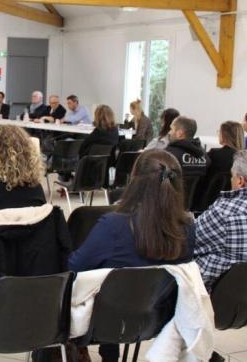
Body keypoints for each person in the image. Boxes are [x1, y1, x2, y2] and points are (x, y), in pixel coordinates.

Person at [69, 150, 194, 362]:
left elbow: (74, 267)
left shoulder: (113, 226)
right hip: (155, 320)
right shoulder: (187, 229)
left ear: (134, 180)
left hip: (102, 323)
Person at [195, 150, 247, 291]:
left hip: (213, 298)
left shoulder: (227, 211)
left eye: (232, 176)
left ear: (240, 181)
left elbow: (188, 241)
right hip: (241, 301)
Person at [193, 121, 245, 210]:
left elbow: (200, 179)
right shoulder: (244, 158)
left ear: (224, 135)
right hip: (235, 206)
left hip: (209, 203)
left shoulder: (214, 154)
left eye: (219, 132)